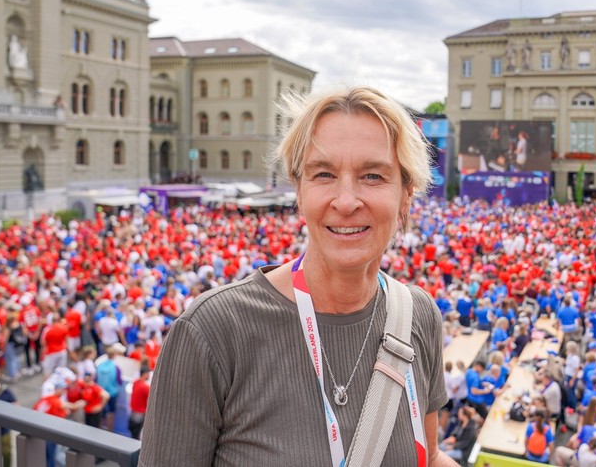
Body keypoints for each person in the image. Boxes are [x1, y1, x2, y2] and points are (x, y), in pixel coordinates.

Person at [140, 87, 454, 466]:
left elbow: (431, 457)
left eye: (373, 176)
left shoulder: (417, 314)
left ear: (407, 193)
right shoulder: (212, 331)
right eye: (323, 174)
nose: (346, 201)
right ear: (298, 189)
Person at [129, 364, 151, 439]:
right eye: (148, 374)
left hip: (133, 411)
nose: (149, 376)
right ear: (144, 374)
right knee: (137, 434)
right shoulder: (146, 387)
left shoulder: (135, 382)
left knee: (133, 433)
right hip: (140, 413)